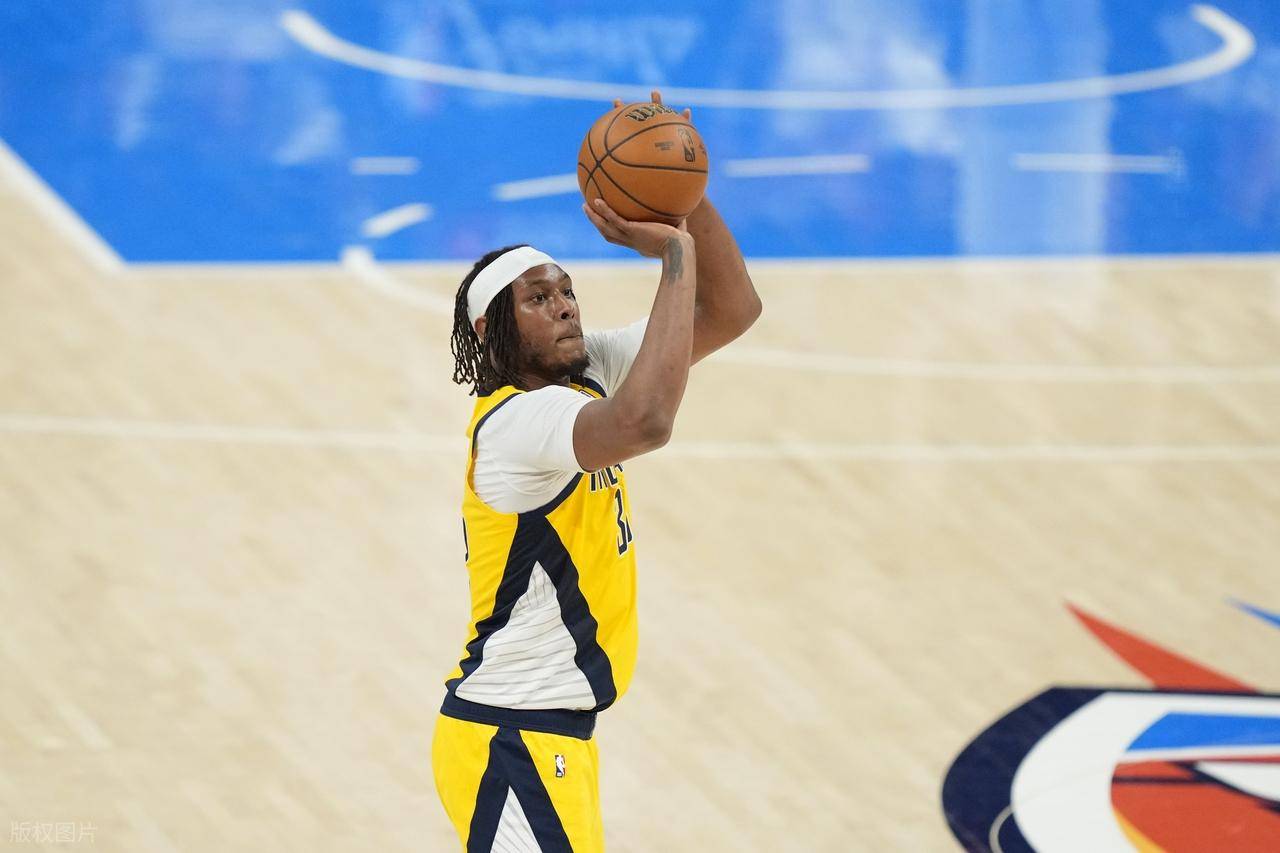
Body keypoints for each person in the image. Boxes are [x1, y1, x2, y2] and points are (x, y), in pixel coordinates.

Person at [431, 92, 762, 852]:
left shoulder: (586, 376)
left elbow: (732, 309)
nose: (565, 307)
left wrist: (686, 196)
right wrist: (674, 258)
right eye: (538, 298)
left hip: (545, 739)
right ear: (492, 328)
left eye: (568, 291)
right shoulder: (516, 424)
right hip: (510, 737)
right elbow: (646, 423)